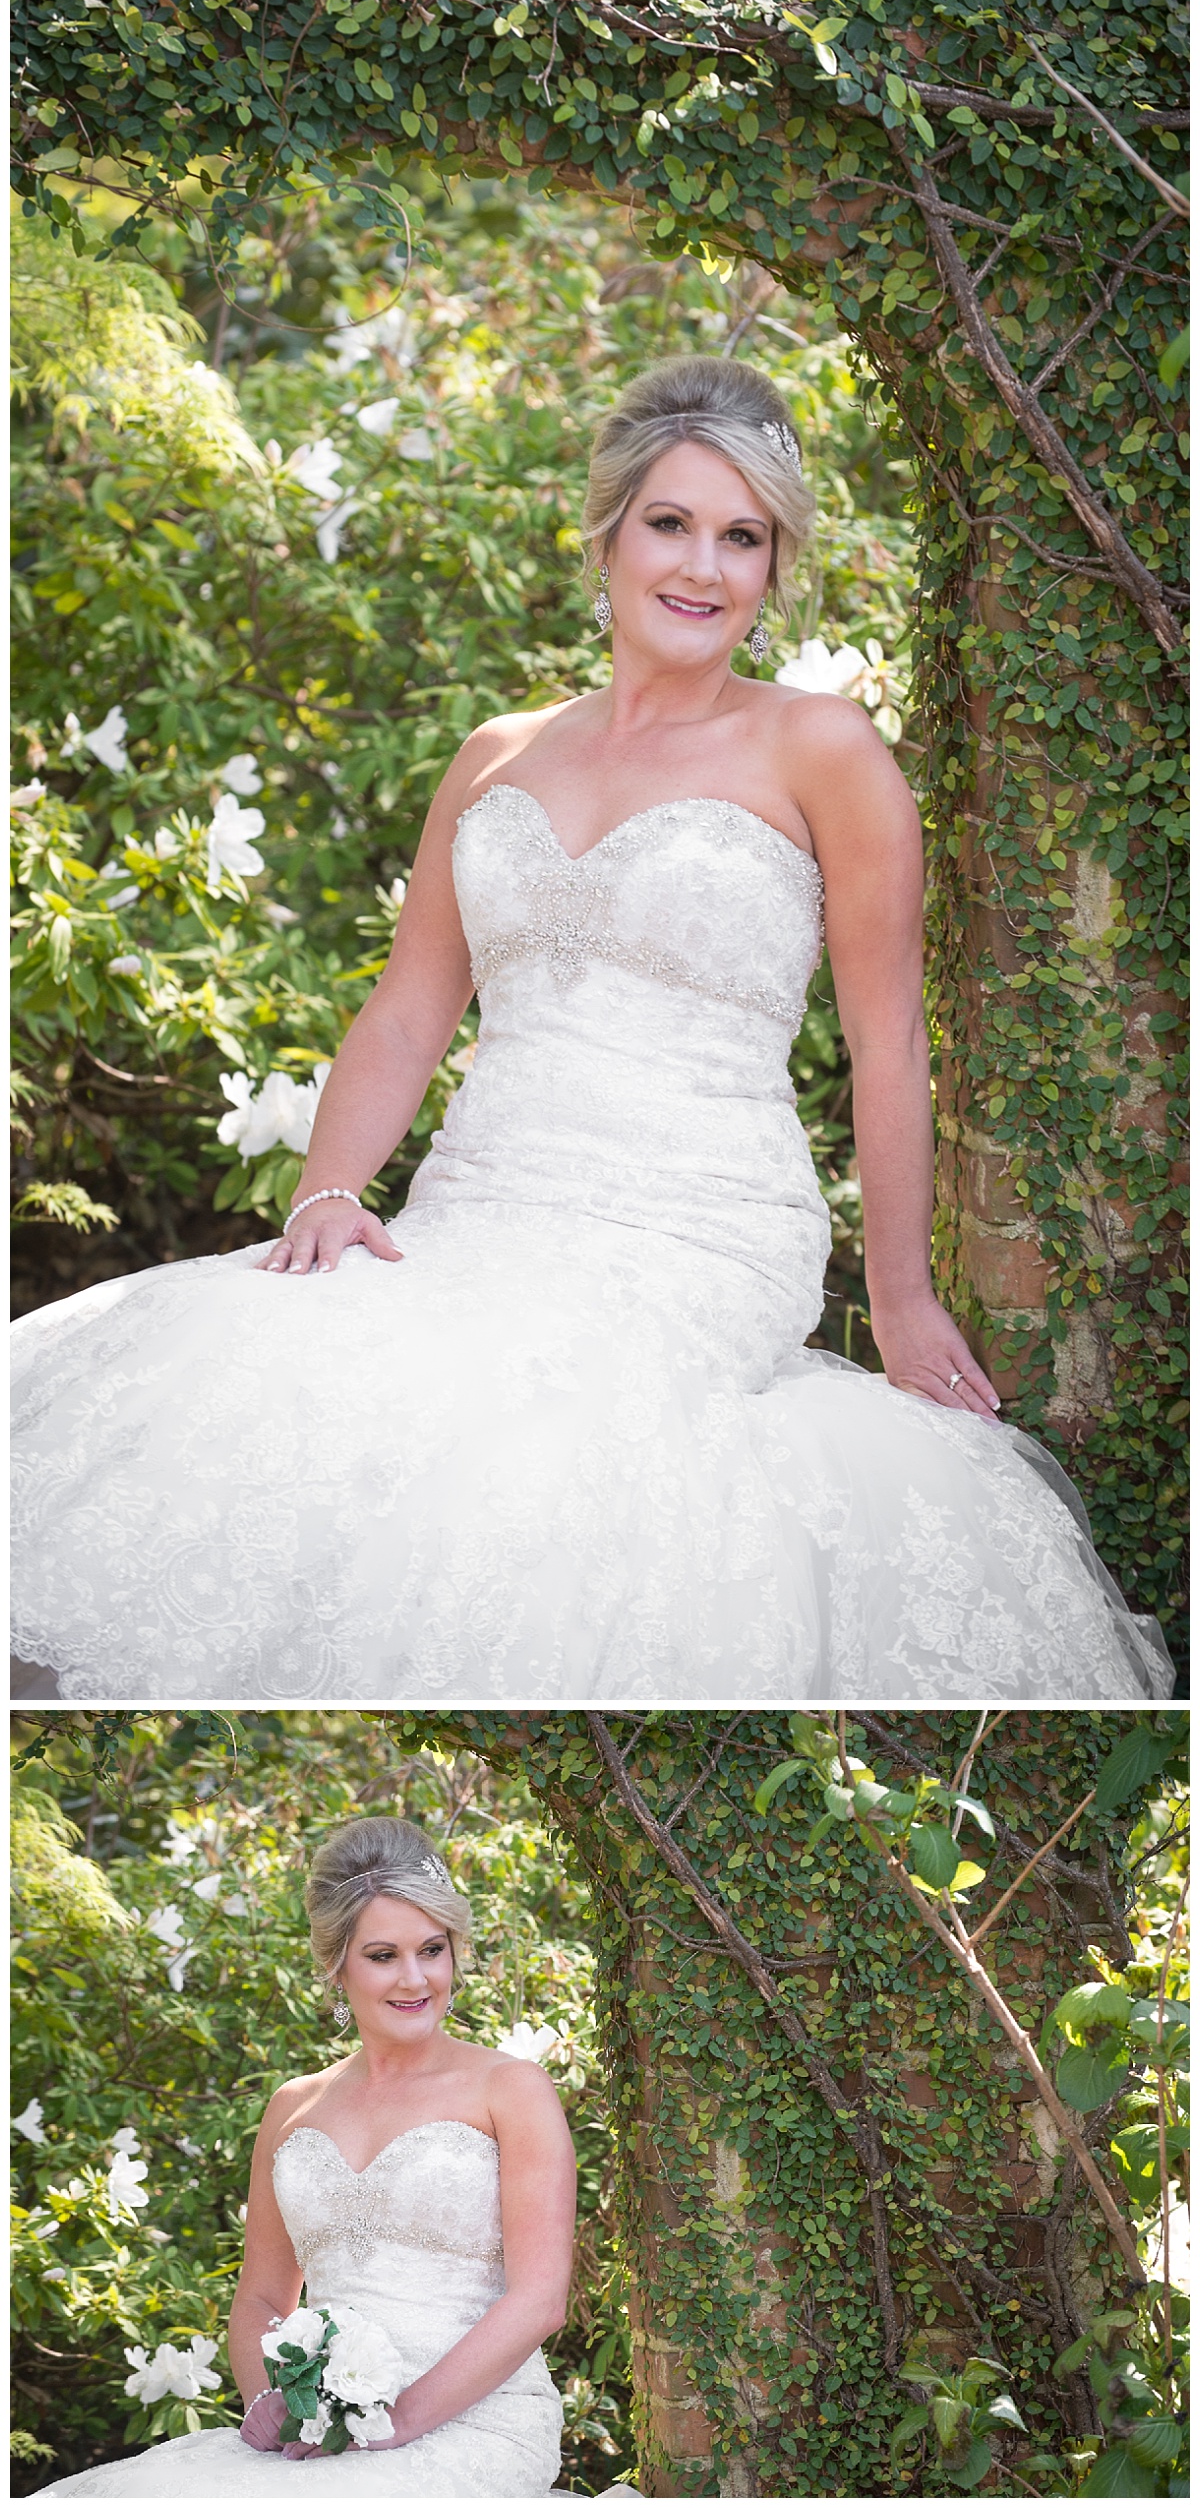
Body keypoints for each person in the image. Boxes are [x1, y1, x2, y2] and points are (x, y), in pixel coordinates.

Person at [10, 356, 1171, 1700]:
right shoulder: (501, 750)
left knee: (541, 1442)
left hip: (696, 1226)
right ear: (610, 533)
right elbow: (407, 1006)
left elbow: (888, 1046)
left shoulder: (823, 750)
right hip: (478, 1202)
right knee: (270, 1371)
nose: (704, 566)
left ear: (774, 564)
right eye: (673, 523)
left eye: (744, 538)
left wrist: (902, 1299)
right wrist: (331, 1185)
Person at [37, 1819, 575, 2498]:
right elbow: (262, 2296)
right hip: (323, 2431)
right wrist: (285, 2407)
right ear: (335, 1962)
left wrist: (393, 2422)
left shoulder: (511, 2088)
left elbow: (539, 2301)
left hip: (477, 2422)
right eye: (383, 1954)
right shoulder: (293, 2107)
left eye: (432, 1949)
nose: (416, 1978)